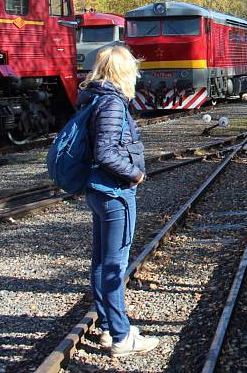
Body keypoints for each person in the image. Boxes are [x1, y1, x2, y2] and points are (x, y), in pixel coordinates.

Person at [77, 45, 159, 356]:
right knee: (114, 265)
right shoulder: (111, 103)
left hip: (99, 190)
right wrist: (135, 175)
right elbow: (106, 152)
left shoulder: (94, 97)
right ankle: (123, 336)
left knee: (101, 262)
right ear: (123, 72)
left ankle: (110, 327)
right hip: (114, 192)